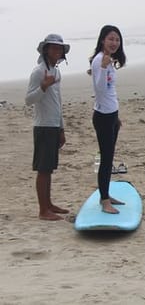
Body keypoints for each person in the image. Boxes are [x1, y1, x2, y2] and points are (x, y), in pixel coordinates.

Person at [26, 34, 71, 220]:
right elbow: (28, 100)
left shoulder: (56, 71)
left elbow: (57, 102)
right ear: (45, 49)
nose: (57, 51)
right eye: (53, 48)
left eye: (59, 48)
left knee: (49, 168)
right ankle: (43, 210)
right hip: (43, 125)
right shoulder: (38, 72)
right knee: (43, 170)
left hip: (53, 125)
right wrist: (43, 87)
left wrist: (61, 128)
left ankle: (49, 204)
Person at [89, 25, 127, 214]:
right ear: (102, 40)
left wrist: (117, 117)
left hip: (111, 115)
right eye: (111, 39)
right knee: (105, 160)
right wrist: (103, 67)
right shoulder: (99, 61)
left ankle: (107, 194)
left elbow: (111, 92)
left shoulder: (109, 60)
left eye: (117, 39)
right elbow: (100, 90)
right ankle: (104, 201)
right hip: (103, 117)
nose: (114, 43)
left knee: (109, 157)